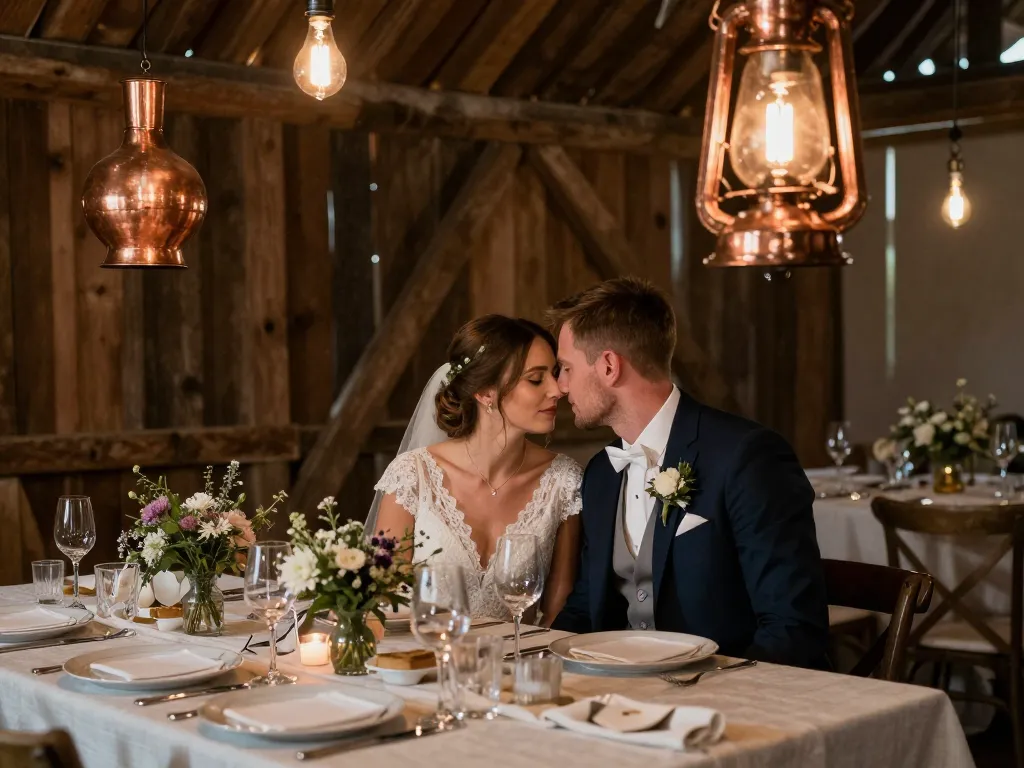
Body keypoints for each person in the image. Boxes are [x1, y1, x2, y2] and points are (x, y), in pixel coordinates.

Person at [548, 277, 829, 668]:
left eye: (564, 368)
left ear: (609, 366)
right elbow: (585, 607)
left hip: (728, 700)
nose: (559, 386)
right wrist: (535, 667)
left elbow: (792, 628)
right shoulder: (601, 473)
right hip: (620, 702)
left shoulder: (748, 456)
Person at [371, 315, 583, 624]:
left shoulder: (564, 481)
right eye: (536, 379)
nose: (557, 390)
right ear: (485, 392)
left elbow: (558, 611)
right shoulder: (412, 475)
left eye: (554, 374)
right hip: (429, 661)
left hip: (518, 662)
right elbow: (382, 601)